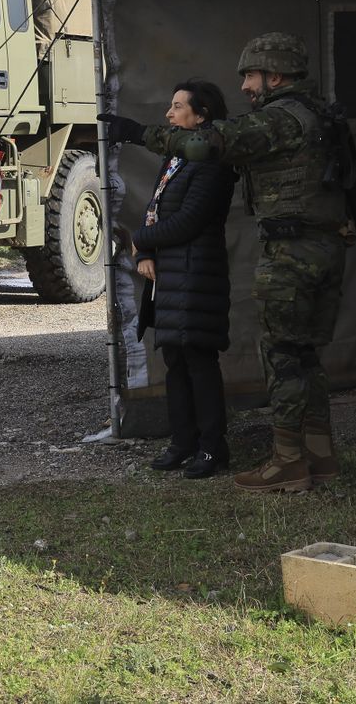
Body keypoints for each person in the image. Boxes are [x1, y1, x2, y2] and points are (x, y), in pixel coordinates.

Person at [103, 33, 355, 493]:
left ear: (275, 75)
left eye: (250, 76)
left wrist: (139, 133)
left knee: (282, 356)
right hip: (323, 246)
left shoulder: (281, 118)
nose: (244, 86)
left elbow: (210, 145)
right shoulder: (318, 115)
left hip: (292, 253)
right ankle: (320, 456)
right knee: (305, 356)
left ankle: (288, 462)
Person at [132, 81, 238, 480]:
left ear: (201, 114)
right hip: (171, 273)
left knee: (198, 358)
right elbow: (154, 208)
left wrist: (141, 240)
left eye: (177, 107)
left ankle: (212, 448)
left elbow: (190, 221)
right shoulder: (176, 158)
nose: (169, 114)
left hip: (197, 271)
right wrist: (144, 252)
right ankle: (183, 441)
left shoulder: (212, 161)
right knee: (174, 358)